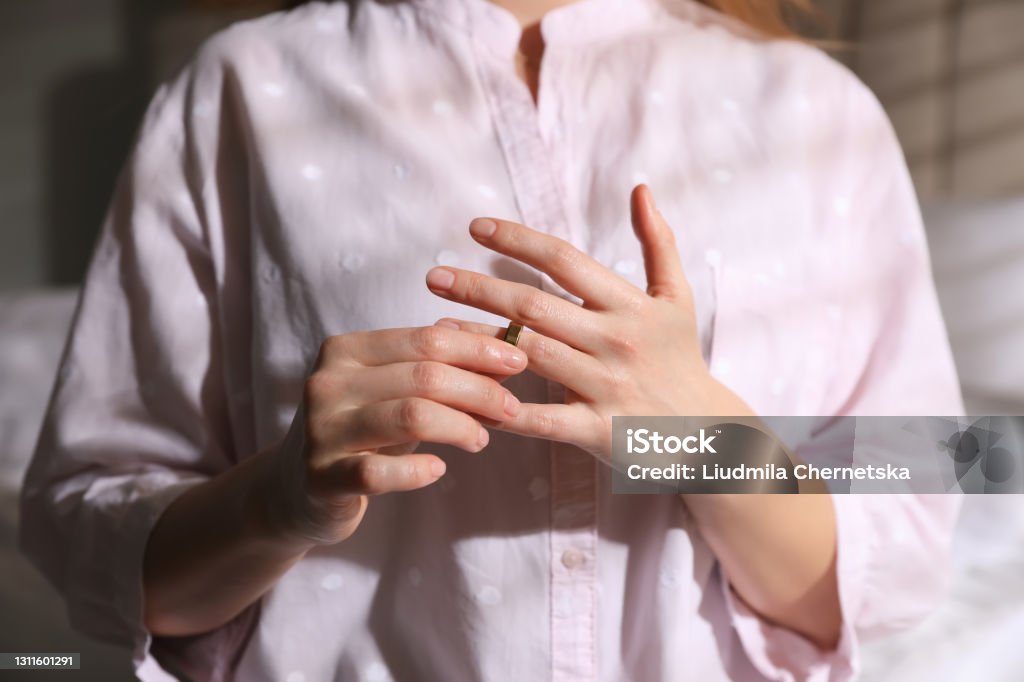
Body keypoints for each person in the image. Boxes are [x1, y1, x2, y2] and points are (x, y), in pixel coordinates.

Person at [19, 0, 964, 680]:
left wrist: (698, 437)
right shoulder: (237, 92)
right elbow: (97, 546)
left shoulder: (818, 113)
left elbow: (909, 543)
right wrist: (277, 500)